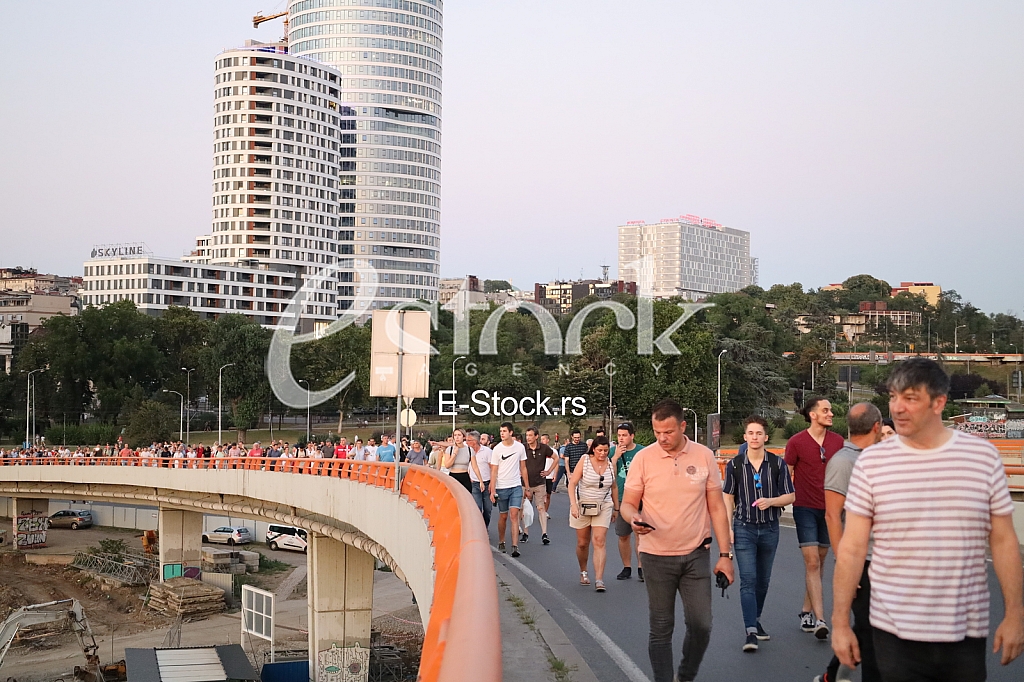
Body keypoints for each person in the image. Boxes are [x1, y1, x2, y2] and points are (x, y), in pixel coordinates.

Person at [832, 358, 1024, 682]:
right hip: (893, 630)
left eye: (910, 398)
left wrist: (1015, 614)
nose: (897, 408)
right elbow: (852, 548)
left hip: (965, 630)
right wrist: (839, 623)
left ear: (939, 402)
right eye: (893, 397)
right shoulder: (872, 463)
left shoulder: (982, 457)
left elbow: (1004, 540)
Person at [621, 399, 734, 682]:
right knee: (661, 628)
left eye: (668, 432)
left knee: (701, 625)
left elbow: (717, 507)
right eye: (657, 432)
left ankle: (685, 676)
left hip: (696, 555)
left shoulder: (704, 455)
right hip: (655, 555)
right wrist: (634, 517)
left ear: (683, 426)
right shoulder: (643, 458)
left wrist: (725, 555)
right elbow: (627, 503)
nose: (662, 438)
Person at [813, 402, 883, 682]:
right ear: (876, 427)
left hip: (886, 559)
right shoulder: (844, 462)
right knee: (870, 630)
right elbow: (832, 515)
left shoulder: (881, 458)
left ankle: (832, 674)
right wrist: (845, 566)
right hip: (861, 561)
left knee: (873, 630)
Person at [723, 415, 795, 652]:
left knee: (763, 581)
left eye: (759, 434)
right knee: (748, 580)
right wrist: (727, 530)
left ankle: (756, 619)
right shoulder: (734, 465)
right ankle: (750, 631)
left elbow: (790, 496)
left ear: (766, 437)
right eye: (750, 433)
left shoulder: (777, 464)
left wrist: (772, 501)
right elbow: (728, 498)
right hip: (744, 527)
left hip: (770, 528)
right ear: (745, 437)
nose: (754, 437)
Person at [785, 396, 844, 638]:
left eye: (830, 410)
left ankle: (806, 610)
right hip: (805, 508)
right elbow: (787, 474)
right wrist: (784, 499)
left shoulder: (838, 442)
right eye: (826, 410)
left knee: (819, 562)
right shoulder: (796, 442)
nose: (830, 414)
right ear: (813, 414)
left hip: (831, 511)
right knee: (812, 563)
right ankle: (821, 620)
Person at [568, 435, 618, 591]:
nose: (603, 454)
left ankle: (599, 579)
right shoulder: (585, 460)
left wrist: (616, 507)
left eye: (605, 450)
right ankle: (583, 571)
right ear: (593, 449)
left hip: (604, 504)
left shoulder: (610, 464)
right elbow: (572, 483)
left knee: (599, 540)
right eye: (599, 450)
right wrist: (573, 505)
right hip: (583, 504)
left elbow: (614, 487)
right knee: (583, 543)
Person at [610, 422, 645, 581]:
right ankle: (626, 567)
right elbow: (611, 475)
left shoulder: (642, 452)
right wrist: (615, 457)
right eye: (619, 436)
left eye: (624, 435)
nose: (621, 438)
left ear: (632, 436)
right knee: (623, 535)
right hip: (622, 498)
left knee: (640, 534)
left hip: (641, 499)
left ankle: (641, 567)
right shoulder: (612, 452)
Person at [489, 422, 528, 558]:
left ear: (511, 433)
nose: (502, 433)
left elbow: (523, 468)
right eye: (501, 431)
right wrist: (492, 490)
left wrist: (527, 487)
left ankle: (515, 546)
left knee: (514, 514)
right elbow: (494, 471)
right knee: (503, 516)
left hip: (515, 486)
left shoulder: (520, 447)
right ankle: (501, 540)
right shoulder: (497, 449)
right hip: (501, 487)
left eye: (504, 431)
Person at [521, 427, 555, 545]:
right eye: (527, 435)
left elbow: (555, 458)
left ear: (536, 436)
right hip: (525, 483)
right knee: (525, 509)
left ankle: (544, 533)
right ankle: (525, 533)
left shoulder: (544, 448)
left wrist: (548, 471)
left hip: (539, 482)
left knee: (541, 508)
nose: (528, 438)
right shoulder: (523, 448)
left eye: (530, 435)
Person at [467, 430, 493, 527]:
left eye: (469, 440)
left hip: (487, 482)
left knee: (487, 509)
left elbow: (492, 468)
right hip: (474, 483)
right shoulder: (467, 451)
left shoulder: (487, 452)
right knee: (477, 507)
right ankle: (479, 528)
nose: (467, 442)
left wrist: (492, 483)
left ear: (475, 441)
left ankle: (485, 527)